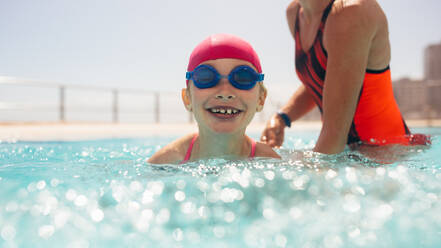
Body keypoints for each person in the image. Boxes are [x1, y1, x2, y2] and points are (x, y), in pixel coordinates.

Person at [261, 0, 430, 154]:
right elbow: (325, 81)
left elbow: (334, 137)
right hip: (349, 153)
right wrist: (282, 117)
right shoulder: (295, 13)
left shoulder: (351, 13)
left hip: (388, 154)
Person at [148, 34, 281, 164]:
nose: (225, 92)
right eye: (206, 77)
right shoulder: (165, 162)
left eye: (243, 77)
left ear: (260, 99)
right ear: (187, 99)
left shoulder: (270, 161)